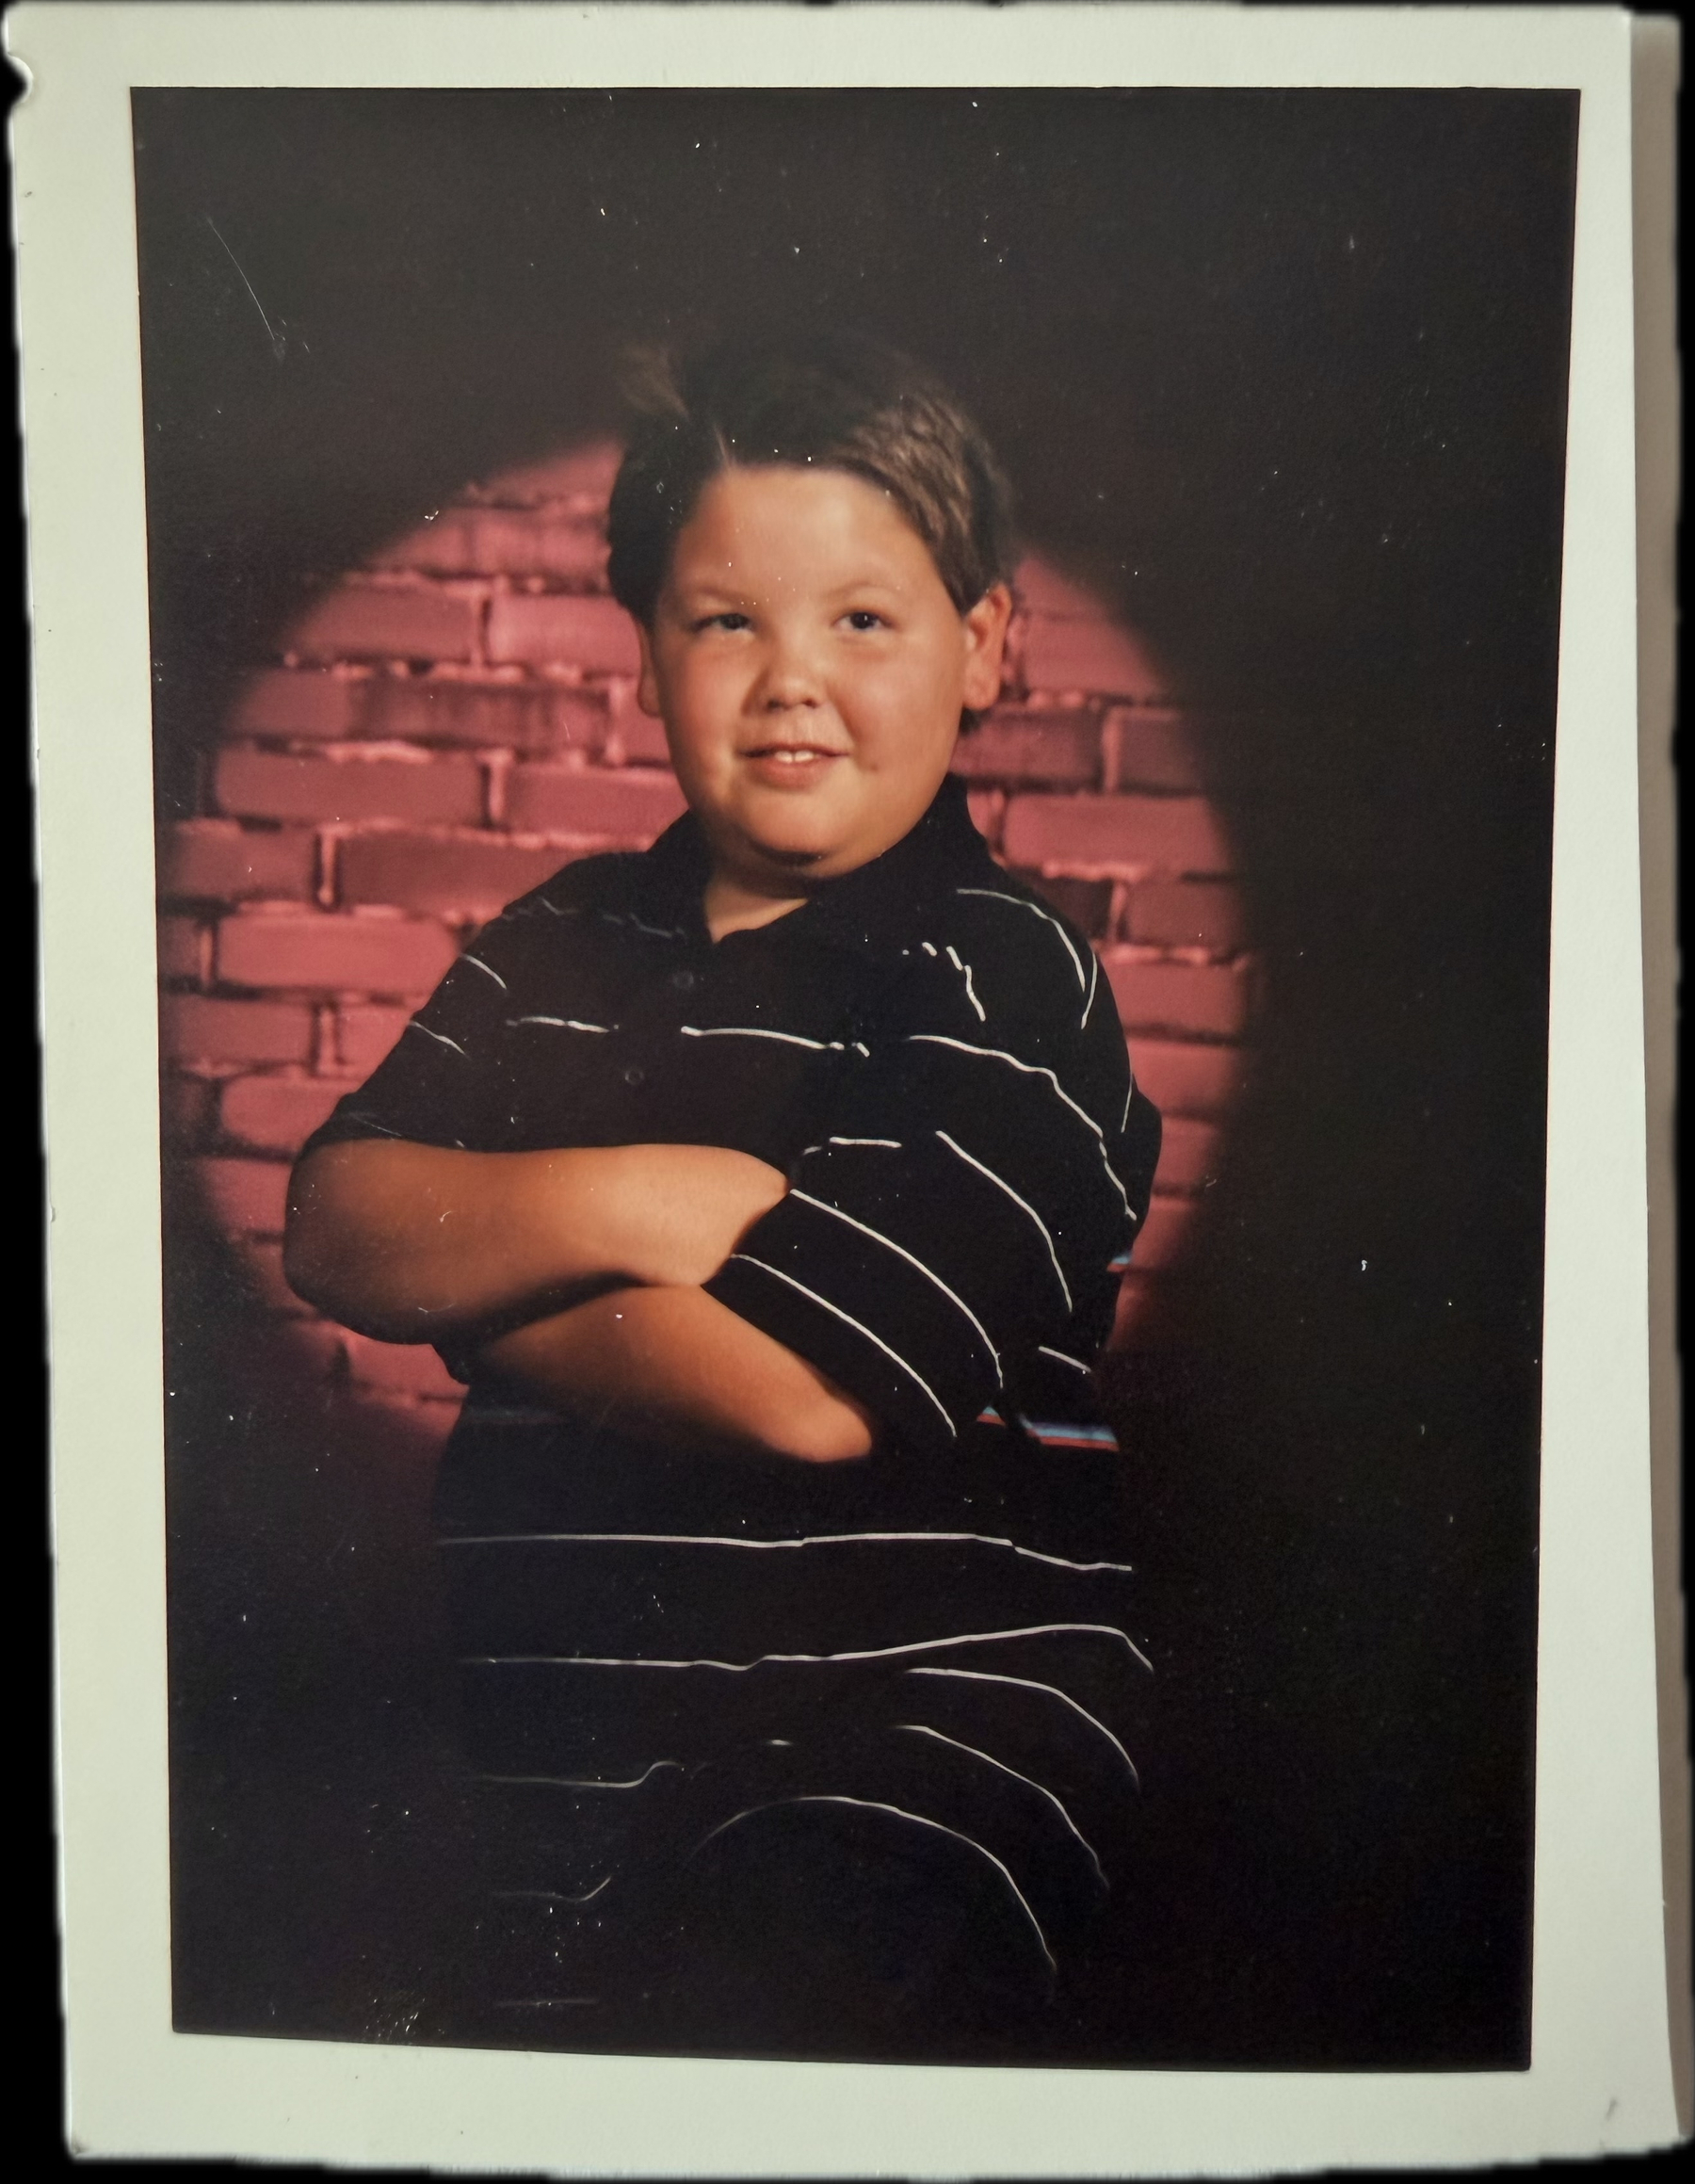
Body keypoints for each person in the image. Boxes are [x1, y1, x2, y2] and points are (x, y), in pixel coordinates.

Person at [284, 333, 1162, 2058]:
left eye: (861, 618)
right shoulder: (557, 941)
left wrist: (461, 1284)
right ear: (645, 654)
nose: (788, 681)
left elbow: (805, 1398)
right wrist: (641, 1201)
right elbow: (329, 1224)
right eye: (724, 620)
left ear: (983, 649)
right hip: (561, 1761)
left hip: (900, 1756)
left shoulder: (995, 974)